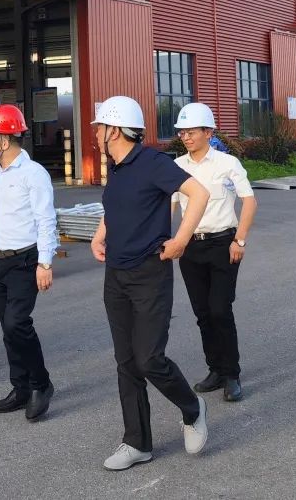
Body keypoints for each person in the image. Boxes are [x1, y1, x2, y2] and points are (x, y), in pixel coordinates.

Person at [90, 96, 211, 472]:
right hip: (116, 276)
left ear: (113, 130)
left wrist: (181, 240)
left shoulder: (152, 162)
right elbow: (116, 206)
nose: (95, 133)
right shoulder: (116, 167)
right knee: (126, 362)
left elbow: (199, 194)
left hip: (149, 274)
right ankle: (137, 443)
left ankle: (192, 408)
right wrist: (100, 234)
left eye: (99, 127)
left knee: (149, 359)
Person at [172, 102, 257, 403]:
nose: (185, 137)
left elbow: (249, 201)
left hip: (223, 245)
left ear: (208, 132)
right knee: (203, 313)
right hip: (190, 247)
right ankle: (216, 370)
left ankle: (232, 374)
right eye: (182, 132)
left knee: (220, 309)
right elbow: (170, 205)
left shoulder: (227, 163)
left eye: (191, 131)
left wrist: (240, 241)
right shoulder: (177, 166)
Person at [0, 103, 57, 422]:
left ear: (4, 140)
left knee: (17, 324)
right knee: (7, 329)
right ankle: (20, 387)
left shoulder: (33, 174)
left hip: (25, 261)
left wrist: (45, 263)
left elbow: (46, 219)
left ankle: (41, 384)